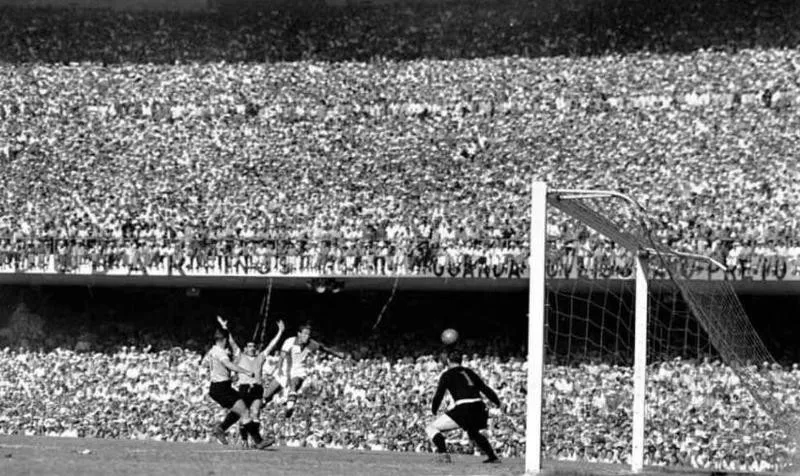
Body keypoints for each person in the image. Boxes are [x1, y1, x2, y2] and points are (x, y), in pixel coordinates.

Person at [203, 320, 274, 450]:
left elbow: (212, 366)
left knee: (242, 412)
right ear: (224, 340)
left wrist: (227, 375)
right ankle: (258, 441)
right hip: (221, 388)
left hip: (220, 387)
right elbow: (229, 364)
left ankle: (221, 429)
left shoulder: (212, 351)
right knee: (244, 412)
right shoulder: (221, 352)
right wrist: (245, 371)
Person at [425, 350, 501, 464]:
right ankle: (492, 457)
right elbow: (484, 388)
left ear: (449, 361)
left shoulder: (447, 374)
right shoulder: (469, 372)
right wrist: (496, 401)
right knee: (473, 432)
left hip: (464, 407)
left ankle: (443, 454)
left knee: (431, 427)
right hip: (479, 406)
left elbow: (439, 394)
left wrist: (434, 409)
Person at [263, 322, 345, 418]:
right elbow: (282, 356)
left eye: (309, 334)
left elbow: (324, 348)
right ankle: (259, 407)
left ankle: (290, 408)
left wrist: (338, 354)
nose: (307, 336)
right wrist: (280, 368)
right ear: (299, 334)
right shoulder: (290, 341)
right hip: (285, 369)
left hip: (299, 369)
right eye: (305, 334)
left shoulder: (312, 344)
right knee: (267, 395)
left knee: (294, 384)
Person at [225, 318, 286, 448]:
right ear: (245, 348)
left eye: (254, 346)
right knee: (244, 414)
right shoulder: (240, 356)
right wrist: (225, 328)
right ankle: (244, 439)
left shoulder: (260, 357)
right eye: (250, 346)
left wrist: (280, 332)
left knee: (256, 413)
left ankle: (256, 440)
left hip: (257, 388)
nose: (252, 348)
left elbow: (271, 345)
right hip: (245, 387)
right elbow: (232, 342)